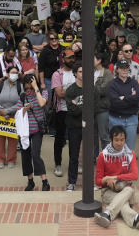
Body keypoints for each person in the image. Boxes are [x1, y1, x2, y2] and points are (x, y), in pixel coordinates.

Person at [93, 125, 139, 230]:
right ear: (111, 140)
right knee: (122, 204)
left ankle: (107, 214)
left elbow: (135, 175)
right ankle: (135, 219)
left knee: (129, 190)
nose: (119, 143)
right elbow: (98, 182)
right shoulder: (103, 156)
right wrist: (106, 179)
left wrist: (114, 177)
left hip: (125, 189)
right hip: (108, 191)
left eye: (122, 140)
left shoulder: (130, 154)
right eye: (116, 140)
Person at [17, 72, 50, 190]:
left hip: (37, 129)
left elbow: (41, 103)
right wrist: (24, 109)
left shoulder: (43, 92)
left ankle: (45, 181)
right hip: (25, 131)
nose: (29, 89)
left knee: (36, 155)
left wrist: (36, 87)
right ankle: (30, 181)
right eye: (27, 87)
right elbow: (17, 112)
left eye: (30, 86)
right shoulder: (22, 96)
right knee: (25, 156)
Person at [50, 49, 77, 176]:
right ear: (63, 59)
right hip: (61, 111)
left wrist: (68, 90)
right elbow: (59, 94)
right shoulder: (57, 74)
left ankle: (74, 165)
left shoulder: (78, 72)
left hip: (75, 110)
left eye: (73, 57)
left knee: (74, 139)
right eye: (69, 58)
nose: (72, 60)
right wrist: (75, 89)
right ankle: (58, 164)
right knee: (59, 139)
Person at [107, 59, 139, 150]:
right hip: (116, 119)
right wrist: (130, 97)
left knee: (129, 149)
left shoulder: (134, 82)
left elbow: (138, 98)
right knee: (116, 148)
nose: (124, 70)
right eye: (122, 68)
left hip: (131, 119)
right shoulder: (112, 84)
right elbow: (115, 103)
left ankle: (128, 164)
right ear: (117, 70)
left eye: (126, 68)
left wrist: (124, 98)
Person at [0, 65, 22, 169]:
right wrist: (2, 111)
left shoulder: (20, 86)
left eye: (16, 73)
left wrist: (8, 111)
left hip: (14, 115)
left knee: (13, 139)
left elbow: (21, 102)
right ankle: (0, 159)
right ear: (7, 74)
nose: (14, 75)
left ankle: (11, 159)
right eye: (12, 72)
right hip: (0, 115)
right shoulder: (0, 85)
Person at [64, 63, 86, 191]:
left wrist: (77, 103)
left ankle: (91, 181)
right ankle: (72, 182)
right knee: (74, 156)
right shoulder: (71, 90)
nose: (82, 74)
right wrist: (83, 106)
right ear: (75, 74)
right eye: (80, 71)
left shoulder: (90, 88)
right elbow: (73, 111)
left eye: (84, 71)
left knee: (90, 156)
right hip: (74, 127)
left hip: (88, 127)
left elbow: (93, 106)